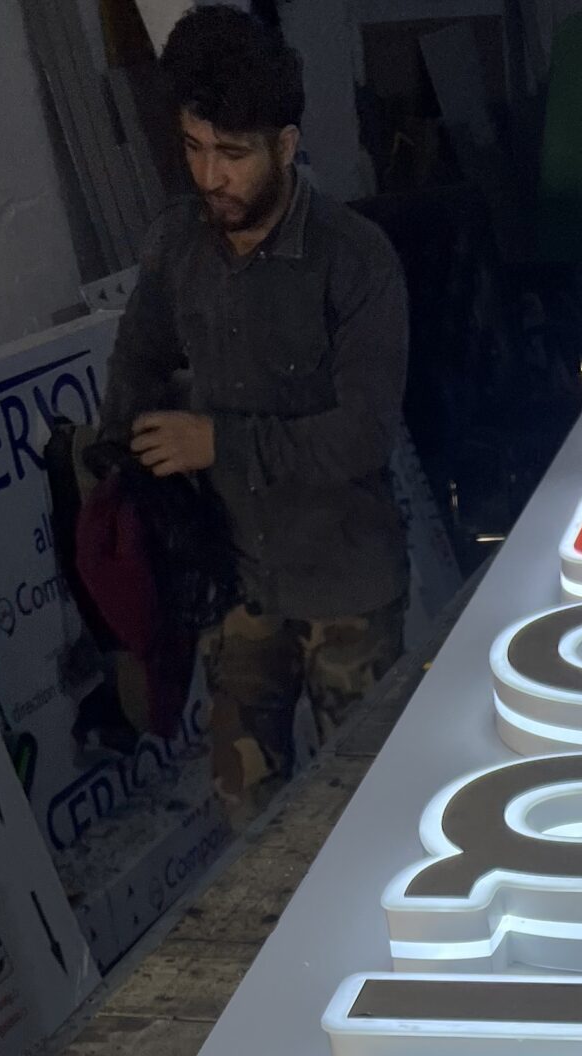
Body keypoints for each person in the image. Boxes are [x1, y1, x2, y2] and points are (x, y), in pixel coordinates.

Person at [103, 6, 410, 826]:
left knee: (370, 814)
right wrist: (123, 462)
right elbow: (136, 359)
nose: (210, 176)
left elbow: (363, 434)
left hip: (346, 583)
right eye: (193, 148)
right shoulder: (177, 245)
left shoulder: (355, 260)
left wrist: (219, 444)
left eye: (233, 154)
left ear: (285, 144)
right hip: (235, 584)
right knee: (248, 818)